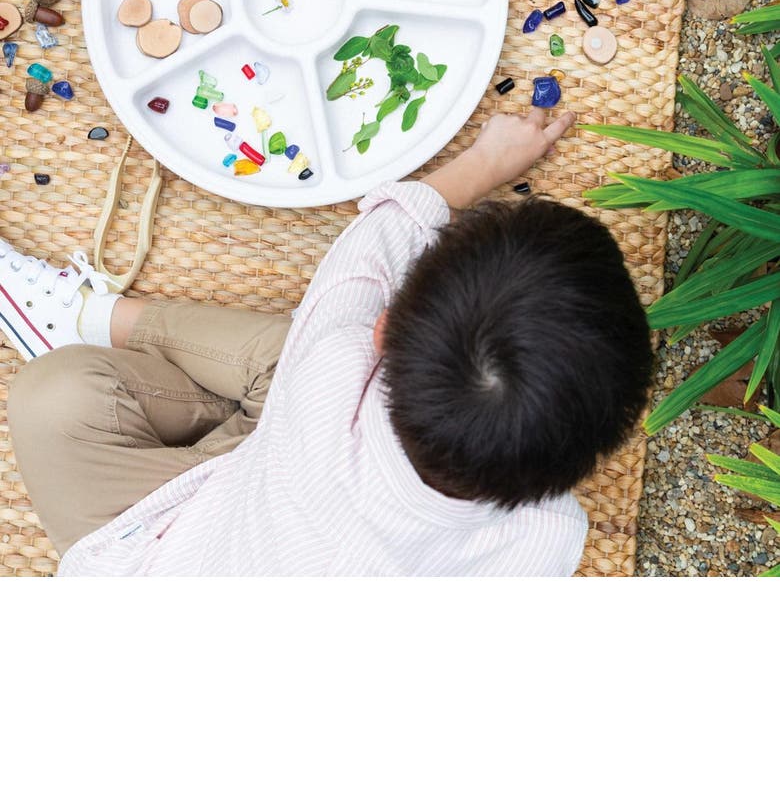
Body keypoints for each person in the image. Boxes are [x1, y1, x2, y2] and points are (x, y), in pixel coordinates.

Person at [2, 107, 653, 576]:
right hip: (268, 480)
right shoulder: (548, 539)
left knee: (52, 397)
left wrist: (487, 160)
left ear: (381, 330)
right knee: (282, 379)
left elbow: (393, 223)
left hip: (156, 553)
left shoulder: (337, 363)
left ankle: (89, 316)